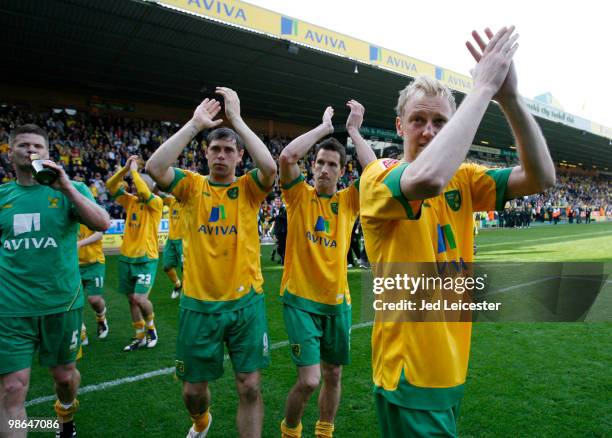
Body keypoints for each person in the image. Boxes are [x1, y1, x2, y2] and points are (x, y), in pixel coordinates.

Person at [358, 27, 555, 437]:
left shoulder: (465, 179)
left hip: (450, 367)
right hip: (409, 372)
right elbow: (426, 180)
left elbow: (542, 177)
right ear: (399, 126)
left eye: (439, 121)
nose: (429, 131)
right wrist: (482, 89)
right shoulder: (379, 176)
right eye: (418, 120)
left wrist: (511, 99)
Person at [145, 87, 277, 438]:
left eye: (228, 150)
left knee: (249, 386)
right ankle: (201, 422)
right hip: (198, 305)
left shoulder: (249, 189)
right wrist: (194, 124)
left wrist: (236, 120)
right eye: (215, 149)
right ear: (205, 154)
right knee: (192, 391)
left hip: (246, 303)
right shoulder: (190, 186)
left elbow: (270, 167)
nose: (221, 155)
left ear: (237, 157)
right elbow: (155, 167)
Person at [0, 124, 110, 438]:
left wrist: (65, 188)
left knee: (64, 378)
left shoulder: (70, 189)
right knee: (12, 387)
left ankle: (63, 417)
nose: (30, 150)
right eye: (22, 145)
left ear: (49, 154)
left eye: (37, 146)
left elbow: (102, 222)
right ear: (11, 152)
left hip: (61, 303)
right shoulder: (3, 196)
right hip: (10, 308)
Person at [278, 102, 375, 438]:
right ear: (313, 166)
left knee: (333, 374)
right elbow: (287, 158)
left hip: (338, 304)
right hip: (301, 301)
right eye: (319, 163)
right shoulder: (298, 197)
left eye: (332, 164)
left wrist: (353, 132)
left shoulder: (350, 201)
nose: (324, 169)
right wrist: (324, 128)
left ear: (341, 172)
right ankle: (290, 430)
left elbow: (375, 173)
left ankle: (324, 433)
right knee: (309, 380)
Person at [106, 155, 163, 352]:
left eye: (136, 184)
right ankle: (139, 335)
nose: (133, 187)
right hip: (127, 257)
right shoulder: (130, 201)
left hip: (146, 258)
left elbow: (145, 192)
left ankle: (151, 329)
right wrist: (124, 170)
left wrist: (135, 172)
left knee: (140, 299)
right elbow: (110, 186)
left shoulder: (155, 202)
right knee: (131, 300)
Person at [77, 223, 110, 345]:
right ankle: (81, 332)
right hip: (73, 265)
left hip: (95, 263)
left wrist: (80, 243)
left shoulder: (92, 210)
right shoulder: (67, 212)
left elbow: (99, 233)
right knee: (75, 301)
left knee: (94, 300)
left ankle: (101, 317)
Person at [160, 192, 184, 299]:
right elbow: (157, 192)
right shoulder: (171, 200)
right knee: (167, 266)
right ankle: (178, 284)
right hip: (171, 240)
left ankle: (187, 291)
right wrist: (157, 181)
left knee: (186, 269)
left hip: (184, 240)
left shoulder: (190, 201)